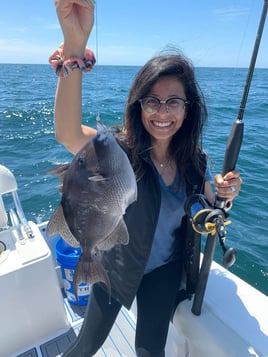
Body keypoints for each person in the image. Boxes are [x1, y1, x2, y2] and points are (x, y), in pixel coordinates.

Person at [51, 1, 243, 356]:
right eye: (152, 101)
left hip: (164, 271)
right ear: (138, 106)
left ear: (189, 110)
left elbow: (212, 207)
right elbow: (66, 132)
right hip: (115, 262)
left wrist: (225, 193)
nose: (163, 112)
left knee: (150, 350)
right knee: (86, 345)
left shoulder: (196, 163)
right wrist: (74, 47)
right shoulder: (117, 152)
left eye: (174, 102)